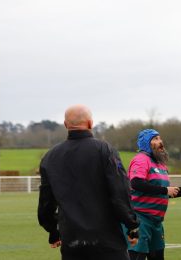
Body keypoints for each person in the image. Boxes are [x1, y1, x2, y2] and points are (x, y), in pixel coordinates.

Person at [37, 105, 139, 260]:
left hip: (72, 242)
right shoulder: (105, 150)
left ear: (66, 125)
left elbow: (46, 203)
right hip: (107, 241)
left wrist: (52, 230)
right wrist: (131, 225)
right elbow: (120, 190)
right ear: (91, 123)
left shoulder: (50, 157)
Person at [128, 129, 181, 260]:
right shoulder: (141, 159)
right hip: (139, 221)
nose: (160, 142)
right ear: (145, 143)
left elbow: (168, 192)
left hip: (156, 223)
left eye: (160, 138)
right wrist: (165, 190)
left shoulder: (161, 165)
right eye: (155, 139)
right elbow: (136, 183)